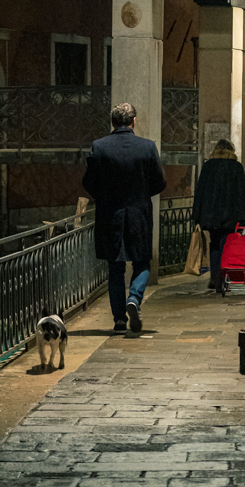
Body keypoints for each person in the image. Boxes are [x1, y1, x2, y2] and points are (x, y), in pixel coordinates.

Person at [82, 102, 166, 334]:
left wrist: (106, 197)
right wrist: (141, 194)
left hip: (110, 215)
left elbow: (89, 182)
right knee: (142, 261)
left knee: (115, 266)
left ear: (113, 122)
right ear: (133, 121)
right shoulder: (147, 147)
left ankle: (119, 320)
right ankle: (134, 298)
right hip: (139, 214)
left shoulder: (99, 147)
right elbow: (159, 182)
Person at [192, 139, 245, 293]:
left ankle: (215, 278)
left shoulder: (208, 166)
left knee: (215, 245)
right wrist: (244, 218)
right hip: (231, 214)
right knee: (227, 245)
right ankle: (224, 278)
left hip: (211, 214)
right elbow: (241, 193)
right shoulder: (236, 167)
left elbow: (200, 191)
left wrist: (197, 215)